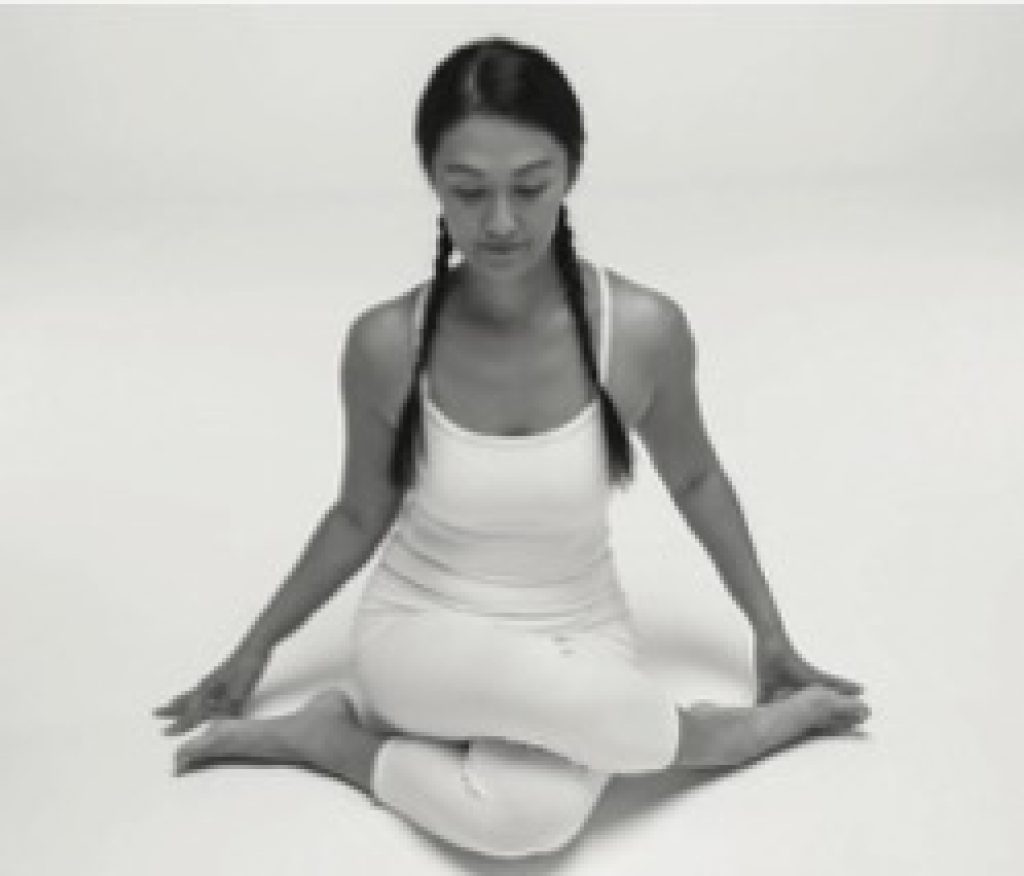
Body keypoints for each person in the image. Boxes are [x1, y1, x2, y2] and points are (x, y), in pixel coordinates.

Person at [154, 36, 869, 859]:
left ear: (571, 172)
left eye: (530, 187)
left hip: (579, 629)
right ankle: (729, 736)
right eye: (469, 191)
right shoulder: (386, 343)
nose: (500, 222)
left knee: (531, 823)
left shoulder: (642, 331)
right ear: (433, 183)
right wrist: (254, 649)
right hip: (421, 631)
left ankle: (331, 743)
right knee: (616, 721)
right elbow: (357, 514)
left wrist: (769, 635)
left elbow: (699, 478)